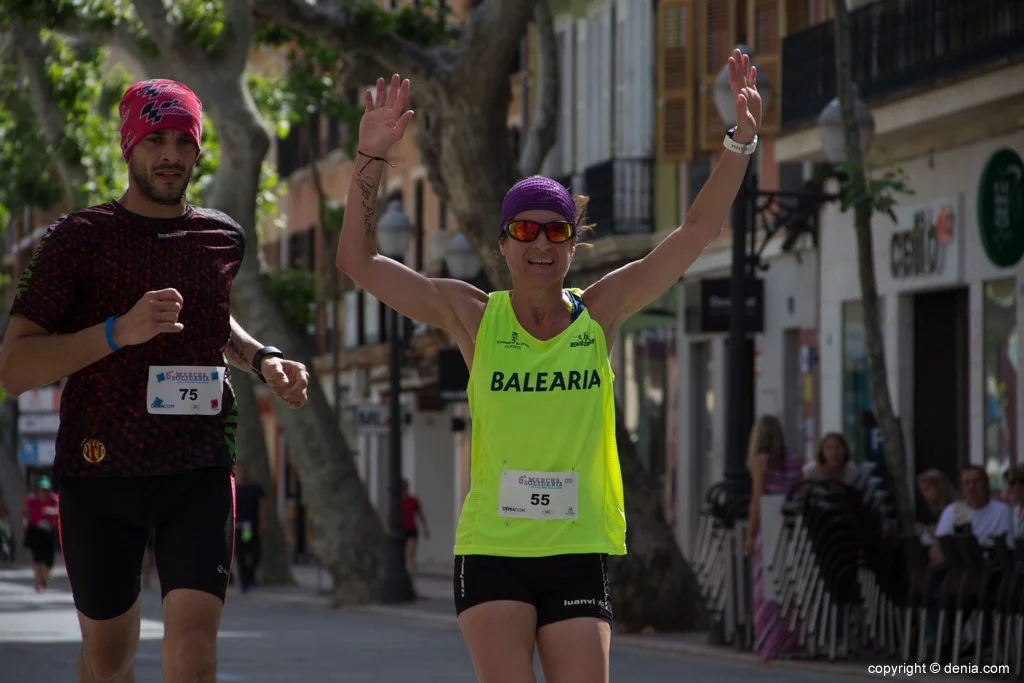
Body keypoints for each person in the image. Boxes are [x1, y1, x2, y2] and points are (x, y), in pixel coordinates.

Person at [335, 52, 761, 683]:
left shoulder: (600, 314)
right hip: (493, 551)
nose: (539, 244)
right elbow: (359, 261)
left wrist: (740, 143)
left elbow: (694, 233)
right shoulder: (472, 315)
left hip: (575, 548)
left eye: (555, 233)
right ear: (503, 242)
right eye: (525, 231)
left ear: (572, 243)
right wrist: (370, 159)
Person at [0, 79, 310, 683]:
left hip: (196, 463)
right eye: (155, 140)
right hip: (99, 469)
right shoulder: (76, 240)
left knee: (193, 655)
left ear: (198, 152)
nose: (170, 155)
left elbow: (213, 321)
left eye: (182, 141)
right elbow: (13, 368)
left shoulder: (220, 237)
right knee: (109, 661)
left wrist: (264, 358)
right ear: (127, 147)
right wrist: (118, 331)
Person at [743, 415, 803, 661]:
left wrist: (749, 533)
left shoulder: (761, 462)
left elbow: (757, 500)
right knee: (787, 585)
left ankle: (768, 643)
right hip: (791, 528)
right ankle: (788, 640)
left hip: (768, 527)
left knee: (765, 587)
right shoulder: (794, 460)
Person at [21, 475, 60, 591]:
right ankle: (39, 581)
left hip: (48, 531)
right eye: (42, 489)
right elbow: (23, 512)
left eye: (46, 489)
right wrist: (25, 523)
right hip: (35, 530)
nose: (44, 492)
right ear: (38, 489)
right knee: (37, 558)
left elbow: (60, 510)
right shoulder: (31, 499)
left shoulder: (53, 499)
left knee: (49, 560)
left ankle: (44, 577)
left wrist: (51, 511)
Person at [233, 463, 266, 593]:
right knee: (240, 552)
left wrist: (262, 523)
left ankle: (250, 576)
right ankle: (244, 580)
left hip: (249, 526)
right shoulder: (233, 488)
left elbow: (263, 505)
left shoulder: (255, 488)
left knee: (254, 551)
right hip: (238, 525)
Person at [401, 478, 430, 577]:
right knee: (404, 554)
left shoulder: (413, 501)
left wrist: (425, 528)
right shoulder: (396, 502)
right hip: (401, 530)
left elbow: (420, 515)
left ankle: (409, 573)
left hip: (411, 529)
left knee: (410, 552)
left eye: (406, 487)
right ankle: (405, 571)